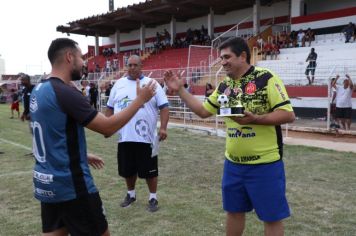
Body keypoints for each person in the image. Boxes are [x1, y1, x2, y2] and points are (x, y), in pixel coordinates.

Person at [164, 37, 295, 236]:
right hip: (233, 164)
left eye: (227, 57)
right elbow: (203, 111)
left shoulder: (265, 78)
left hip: (265, 163)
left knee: (271, 217)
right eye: (221, 57)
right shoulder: (225, 85)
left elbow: (288, 114)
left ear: (243, 56)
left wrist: (256, 119)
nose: (222, 62)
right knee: (233, 212)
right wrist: (181, 90)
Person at [30, 38, 156, 236]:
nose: (84, 63)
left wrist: (81, 154)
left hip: (48, 185)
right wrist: (139, 100)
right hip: (73, 186)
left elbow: (48, 133)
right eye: (81, 57)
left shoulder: (38, 90)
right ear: (69, 57)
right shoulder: (64, 92)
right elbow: (107, 128)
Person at [106, 55, 169, 213]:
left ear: (141, 66)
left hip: (146, 137)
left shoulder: (152, 84)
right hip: (124, 137)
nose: (132, 67)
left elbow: (164, 107)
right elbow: (110, 107)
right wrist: (107, 124)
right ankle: (131, 194)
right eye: (129, 65)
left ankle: (153, 197)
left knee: (150, 170)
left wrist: (163, 128)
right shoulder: (118, 85)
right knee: (128, 169)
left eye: (135, 65)